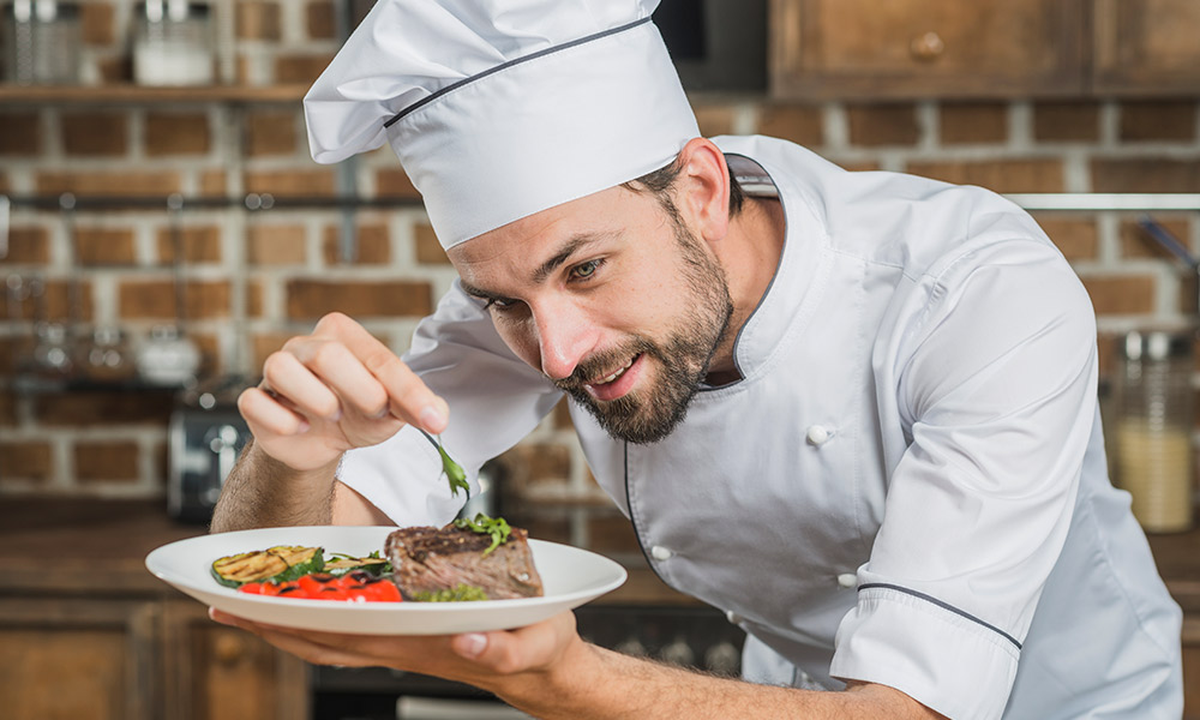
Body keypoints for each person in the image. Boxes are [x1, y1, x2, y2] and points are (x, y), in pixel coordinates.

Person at [209, 1, 1184, 717]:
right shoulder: (539, 302)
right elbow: (276, 574)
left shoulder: (974, 289)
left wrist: (561, 677)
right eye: (504, 299)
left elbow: (904, 711)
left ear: (702, 191)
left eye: (585, 269)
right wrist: (291, 459)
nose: (555, 353)